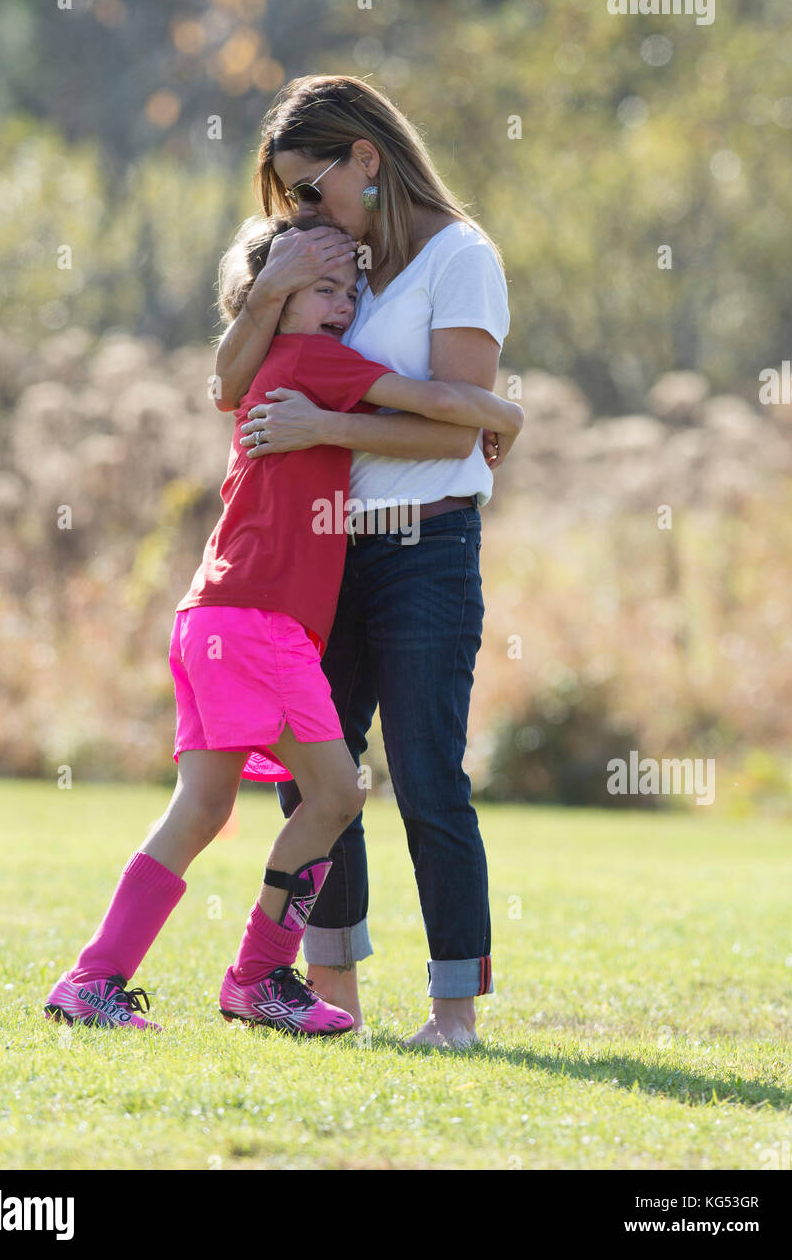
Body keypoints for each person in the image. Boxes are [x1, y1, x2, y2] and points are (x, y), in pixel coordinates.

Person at [43, 213, 522, 1035]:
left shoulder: (262, 361)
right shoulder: (312, 361)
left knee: (200, 810)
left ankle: (93, 981)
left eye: (349, 291)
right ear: (274, 300)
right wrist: (505, 419)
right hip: (261, 625)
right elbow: (439, 403)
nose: (343, 307)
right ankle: (258, 975)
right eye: (324, 290)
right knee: (337, 790)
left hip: (209, 618)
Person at [213, 74, 517, 1047]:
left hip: (426, 544)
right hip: (327, 556)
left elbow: (454, 434)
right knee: (315, 778)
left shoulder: (458, 258)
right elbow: (235, 387)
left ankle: (453, 1010)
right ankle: (329, 994)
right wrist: (271, 289)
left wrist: (325, 422)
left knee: (428, 775)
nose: (301, 213)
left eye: (311, 188)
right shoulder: (339, 266)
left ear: (366, 161)